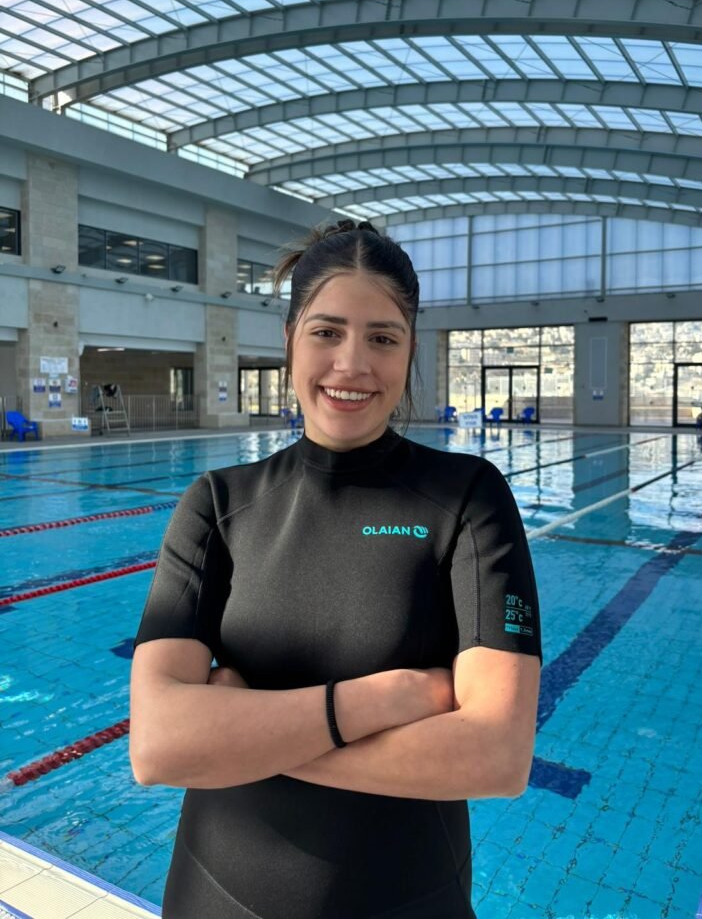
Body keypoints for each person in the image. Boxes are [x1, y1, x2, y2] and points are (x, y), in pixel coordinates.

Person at [129, 219, 542, 919]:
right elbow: (158, 746)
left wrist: (237, 736)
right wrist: (387, 698)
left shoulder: (467, 499)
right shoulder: (218, 506)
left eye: (382, 338)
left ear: (410, 350)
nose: (352, 365)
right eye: (327, 332)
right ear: (290, 337)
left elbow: (496, 758)